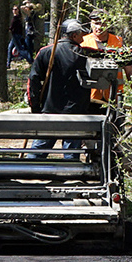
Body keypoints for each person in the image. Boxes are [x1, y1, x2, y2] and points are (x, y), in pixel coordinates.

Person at [27, 18, 100, 159]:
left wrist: (35, 107)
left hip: (49, 111)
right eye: (81, 35)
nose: (83, 38)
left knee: (37, 152)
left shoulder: (45, 52)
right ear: (73, 35)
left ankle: (28, 174)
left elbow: (33, 81)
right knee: (72, 155)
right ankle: (70, 178)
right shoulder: (85, 54)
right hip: (76, 113)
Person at [82, 9, 130, 109]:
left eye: (103, 23)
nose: (99, 27)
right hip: (90, 97)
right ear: (91, 23)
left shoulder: (118, 42)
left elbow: (130, 71)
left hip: (115, 96)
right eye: (96, 23)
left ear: (109, 24)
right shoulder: (83, 42)